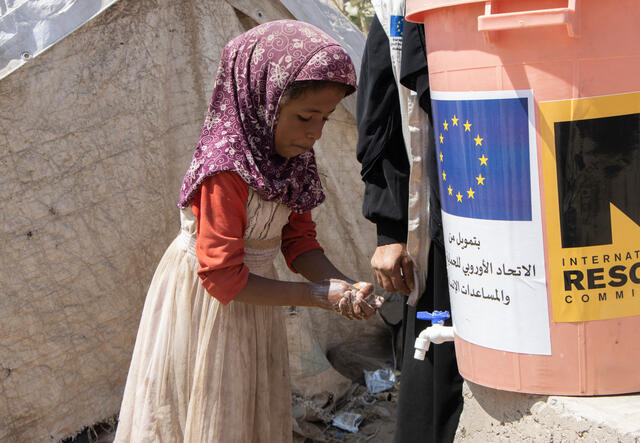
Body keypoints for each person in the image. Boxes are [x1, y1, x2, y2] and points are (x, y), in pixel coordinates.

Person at [114, 20, 383, 443]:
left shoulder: (293, 160)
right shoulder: (225, 170)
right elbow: (221, 277)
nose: (314, 132)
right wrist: (316, 296)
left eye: (325, 119)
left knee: (244, 409)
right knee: (207, 408)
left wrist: (342, 287)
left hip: (255, 300)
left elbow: (299, 243)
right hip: (205, 307)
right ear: (262, 99)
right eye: (305, 116)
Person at [356, 12, 464, 443]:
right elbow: (384, 121)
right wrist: (390, 232)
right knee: (436, 368)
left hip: (533, 216)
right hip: (439, 224)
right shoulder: (397, 13)